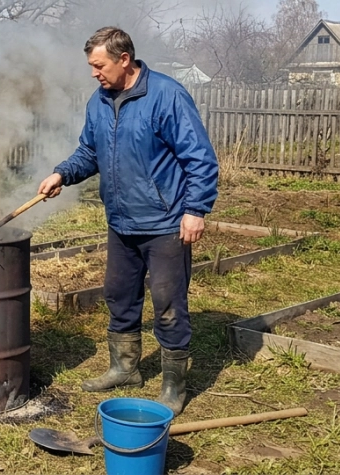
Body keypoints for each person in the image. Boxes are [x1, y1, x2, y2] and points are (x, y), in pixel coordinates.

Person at [37, 27, 218, 416]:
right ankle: (125, 368)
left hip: (165, 221)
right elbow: (89, 151)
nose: (93, 74)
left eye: (98, 65)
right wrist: (62, 174)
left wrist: (196, 209)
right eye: (90, 66)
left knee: (168, 303)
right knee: (119, 296)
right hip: (121, 221)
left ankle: (174, 384)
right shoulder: (99, 101)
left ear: (124, 59)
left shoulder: (166, 95)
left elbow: (199, 157)